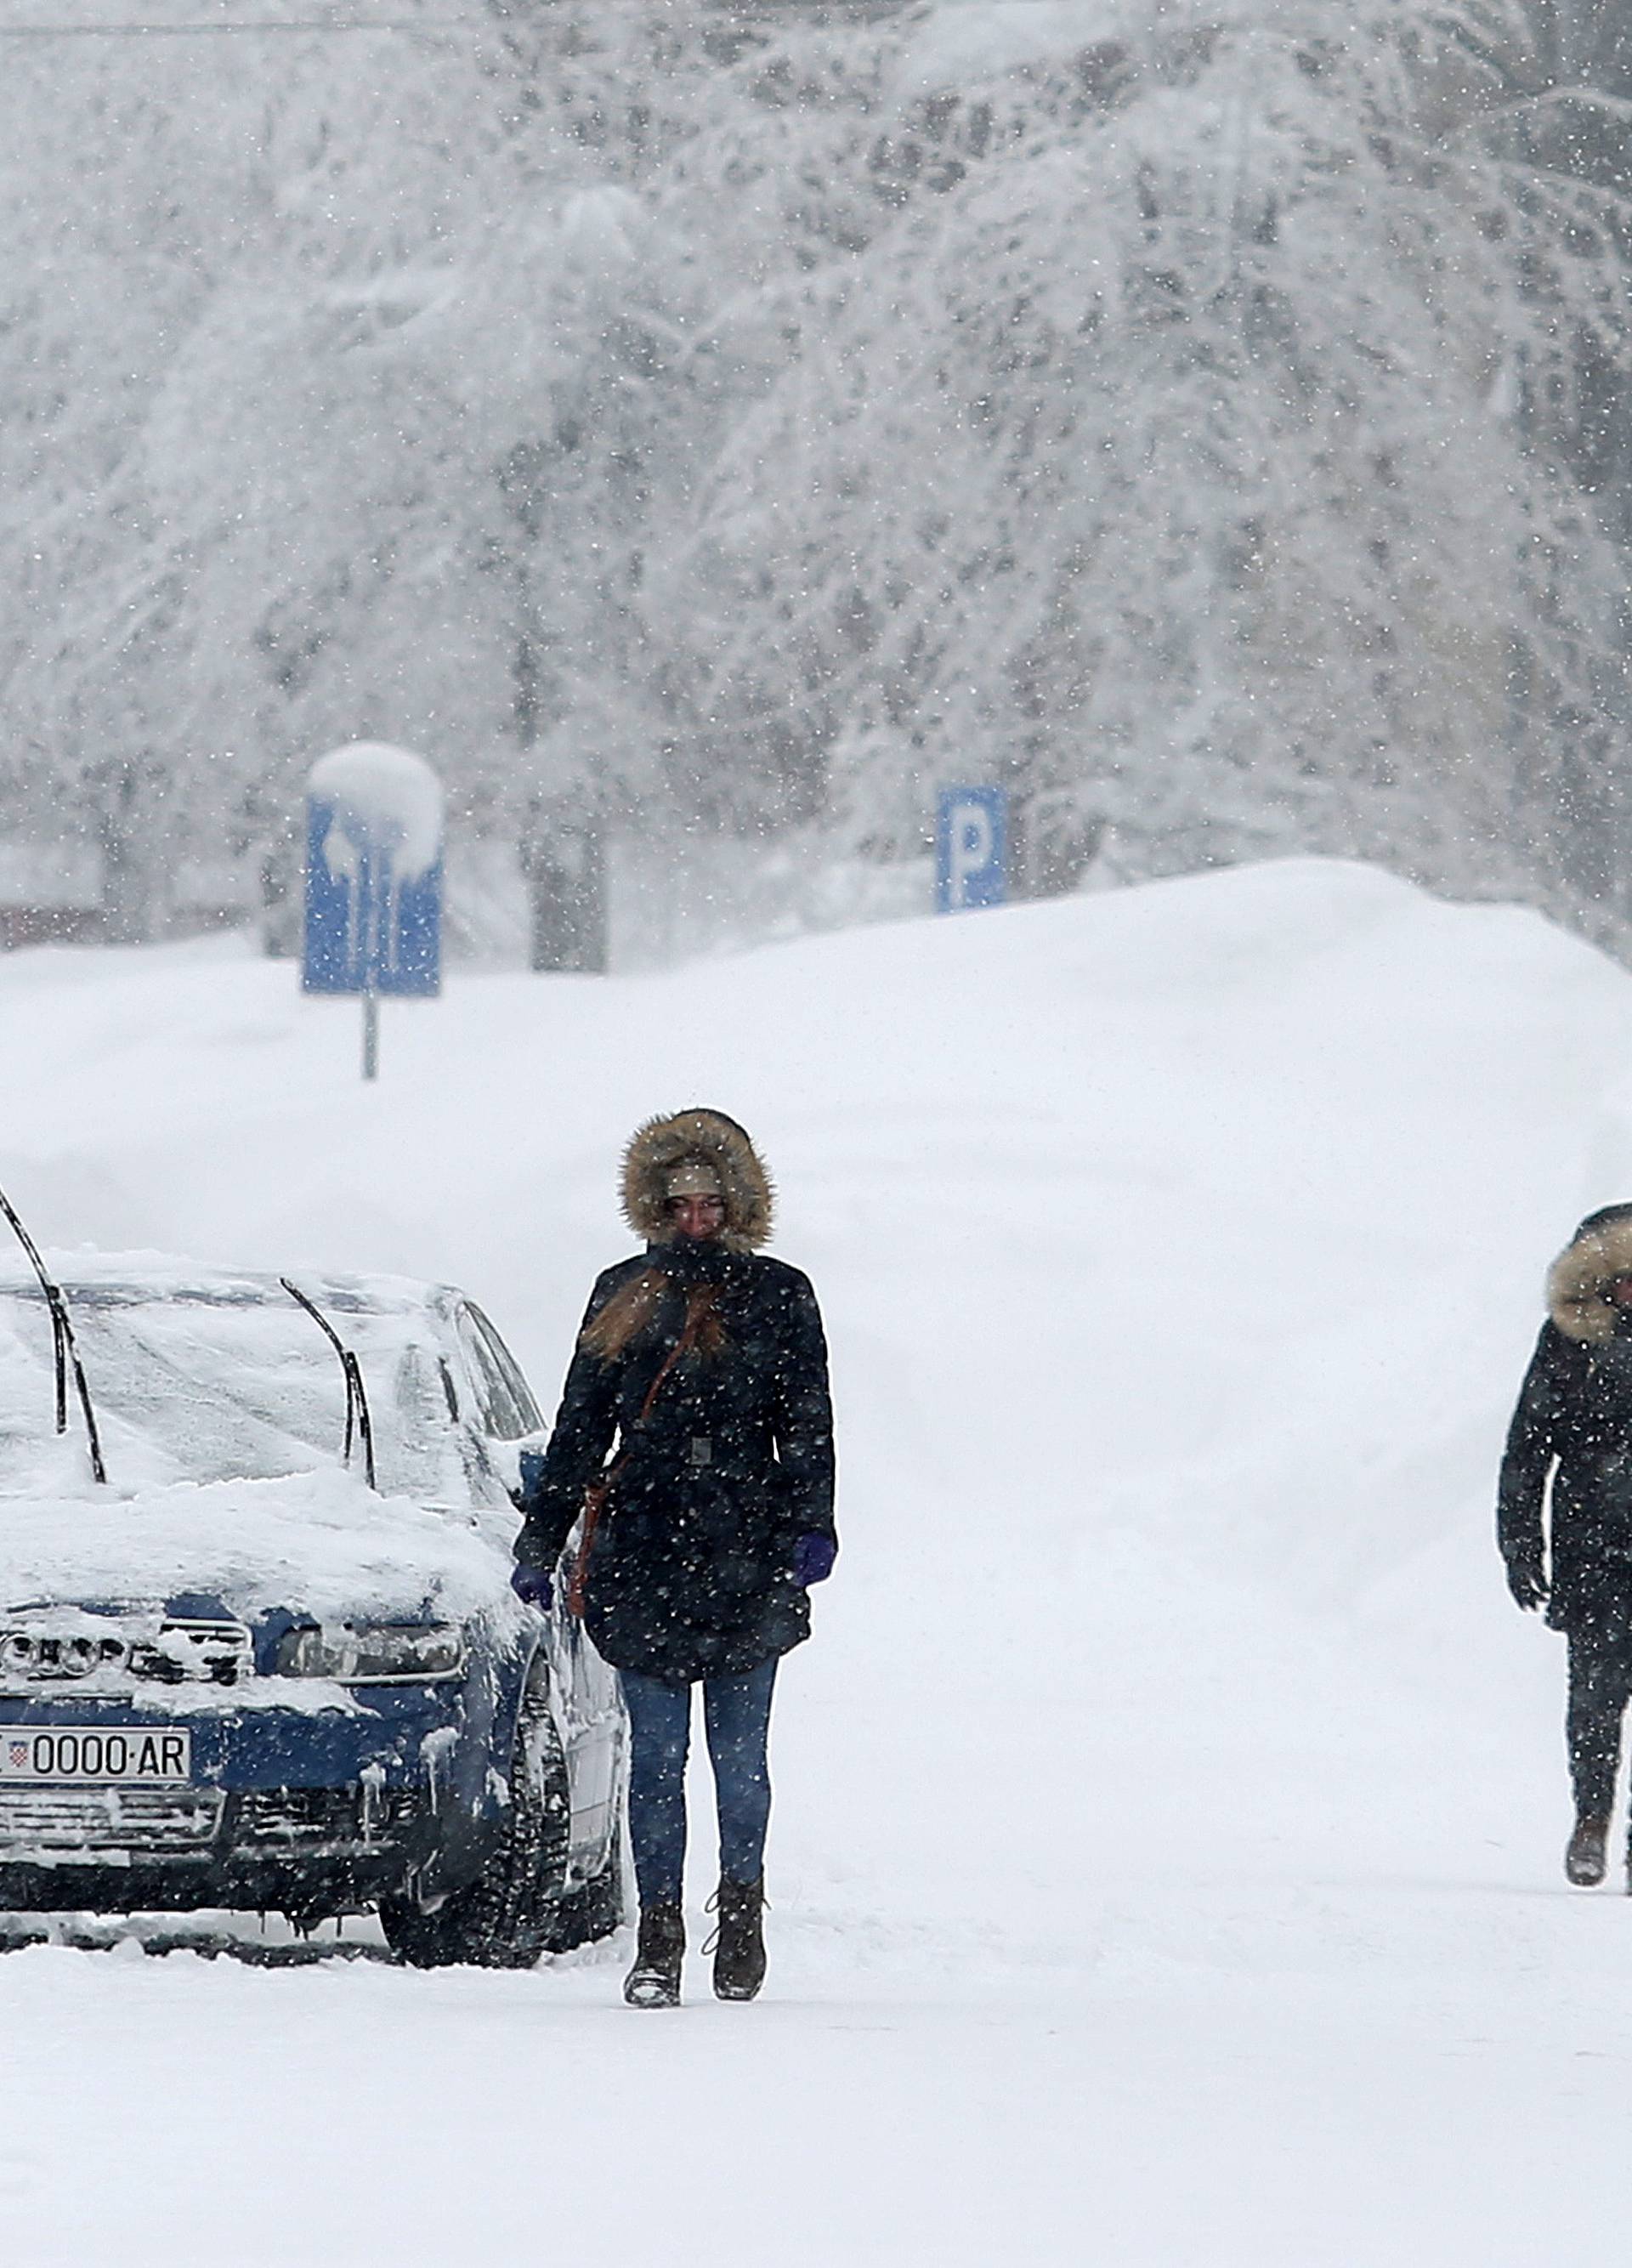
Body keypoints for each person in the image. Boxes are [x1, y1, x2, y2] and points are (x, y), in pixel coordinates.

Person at [512, 1108, 836, 2006]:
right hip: (645, 1545)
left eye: (711, 1204)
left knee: (740, 1756)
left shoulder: (780, 1293)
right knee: (654, 1757)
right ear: (655, 1207)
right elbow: (581, 1426)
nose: (696, 1219)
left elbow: (806, 1420)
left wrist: (814, 1524)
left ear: (739, 1206)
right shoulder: (623, 1290)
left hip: (746, 1542)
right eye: (681, 1204)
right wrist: (543, 1538)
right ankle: (657, 1934)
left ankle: (741, 1910)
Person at [1499, 1202, 1632, 1888]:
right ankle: (1591, 1821)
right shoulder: (1570, 1343)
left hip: (1598, 1541)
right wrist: (1521, 1546)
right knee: (1594, 1702)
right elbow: (1529, 1448)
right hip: (1596, 1553)